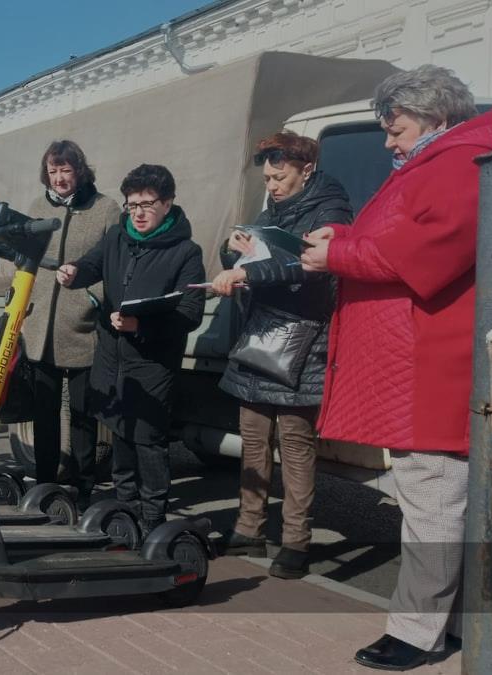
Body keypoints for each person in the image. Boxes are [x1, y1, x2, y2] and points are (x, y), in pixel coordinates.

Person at [299, 65, 492, 671]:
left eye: (396, 126)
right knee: (441, 500)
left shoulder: (457, 163)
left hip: (429, 364)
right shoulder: (444, 159)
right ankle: (452, 624)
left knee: (432, 501)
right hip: (423, 359)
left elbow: (423, 254)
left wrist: (338, 253)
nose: (388, 138)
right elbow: (400, 237)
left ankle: (416, 633)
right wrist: (343, 234)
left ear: (435, 115)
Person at [210, 131, 353, 580]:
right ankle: (249, 527)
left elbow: (311, 268)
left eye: (279, 177)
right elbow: (248, 255)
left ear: (306, 169)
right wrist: (232, 252)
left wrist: (248, 272)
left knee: (294, 444)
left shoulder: (331, 207)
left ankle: (296, 542)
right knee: (252, 438)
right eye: (267, 179)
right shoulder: (272, 209)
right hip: (261, 333)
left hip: (304, 340)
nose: (271, 186)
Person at [56, 164, 205, 535]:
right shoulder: (116, 237)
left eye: (147, 204)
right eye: (132, 204)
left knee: (148, 440)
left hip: (153, 361)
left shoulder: (186, 252)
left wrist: (142, 326)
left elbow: (190, 313)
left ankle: (153, 519)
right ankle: (125, 510)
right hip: (112, 355)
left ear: (167, 203)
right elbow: (92, 265)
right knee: (120, 432)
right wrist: (74, 272)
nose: (138, 213)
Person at [22, 140, 121, 503]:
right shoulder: (37, 208)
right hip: (41, 326)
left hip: (83, 324)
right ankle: (44, 482)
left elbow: (115, 264)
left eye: (65, 170)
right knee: (44, 412)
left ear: (79, 170)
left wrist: (92, 297)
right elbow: (25, 261)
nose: (59, 178)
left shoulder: (105, 208)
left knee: (83, 413)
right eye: (53, 171)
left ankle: (83, 487)